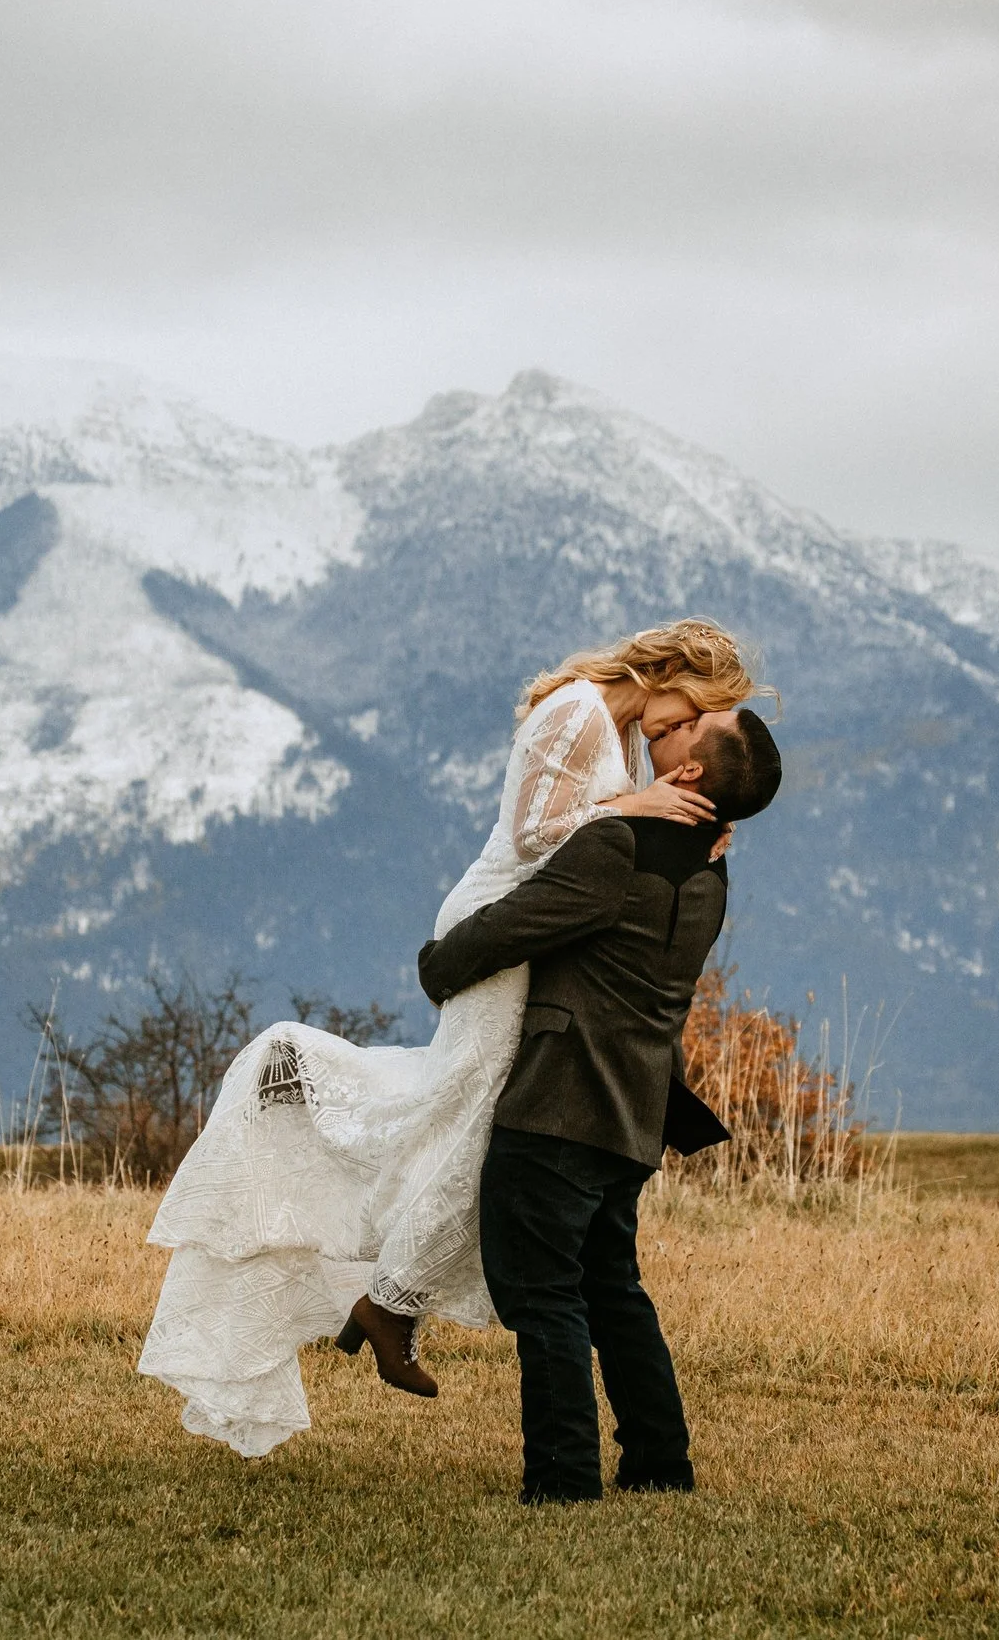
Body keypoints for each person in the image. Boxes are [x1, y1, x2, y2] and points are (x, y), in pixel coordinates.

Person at [138, 620, 761, 1457]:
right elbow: (535, 835)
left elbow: (584, 862)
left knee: (472, 1123)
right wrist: (641, 810)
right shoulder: (589, 723)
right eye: (684, 717)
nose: (672, 744)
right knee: (466, 1116)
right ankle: (343, 1177)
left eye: (689, 733)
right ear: (670, 674)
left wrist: (680, 815)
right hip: (512, 944)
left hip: (540, 969)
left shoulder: (625, 761)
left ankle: (396, 1304)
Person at [418, 707, 783, 1502]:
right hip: (637, 1110)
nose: (673, 721)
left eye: (693, 724)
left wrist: (437, 964)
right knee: (611, 1286)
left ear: (691, 770)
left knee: (542, 1292)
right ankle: (659, 1459)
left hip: (560, 1099)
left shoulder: (621, 847)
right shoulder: (713, 870)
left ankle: (563, 1475)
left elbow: (516, 924)